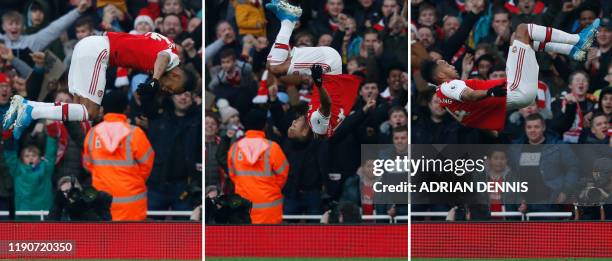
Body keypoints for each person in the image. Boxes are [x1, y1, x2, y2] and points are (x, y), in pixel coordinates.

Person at [3, 31, 193, 139]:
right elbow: (163, 57)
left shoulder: (165, 42)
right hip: (99, 52)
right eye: (170, 88)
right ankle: (31, 111)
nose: (165, 90)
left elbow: (146, 44)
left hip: (89, 45)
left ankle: (26, 107)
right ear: (176, 75)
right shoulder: (171, 56)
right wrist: (155, 80)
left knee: (79, 109)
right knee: (91, 112)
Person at [420, 19, 601, 131]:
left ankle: (573, 51)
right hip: (515, 88)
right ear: (441, 77)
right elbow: (470, 95)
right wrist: (489, 93)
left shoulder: (445, 97)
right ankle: (578, 40)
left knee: (518, 38)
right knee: (523, 29)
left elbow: (466, 113)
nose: (451, 64)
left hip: (516, 92)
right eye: (445, 65)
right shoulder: (447, 86)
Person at [82, 91, 154, 221]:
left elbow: (87, 164)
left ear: (103, 110)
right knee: (132, 241)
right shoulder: (135, 133)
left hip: (102, 205)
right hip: (132, 206)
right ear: (126, 108)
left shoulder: (92, 134)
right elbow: (147, 164)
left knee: (105, 241)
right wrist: (135, 180)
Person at [228, 109, 289, 224]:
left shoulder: (235, 149)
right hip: (270, 209)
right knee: (269, 242)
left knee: (245, 242)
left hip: (244, 208)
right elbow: (283, 174)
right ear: (264, 125)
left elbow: (233, 176)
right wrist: (271, 188)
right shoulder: (273, 148)